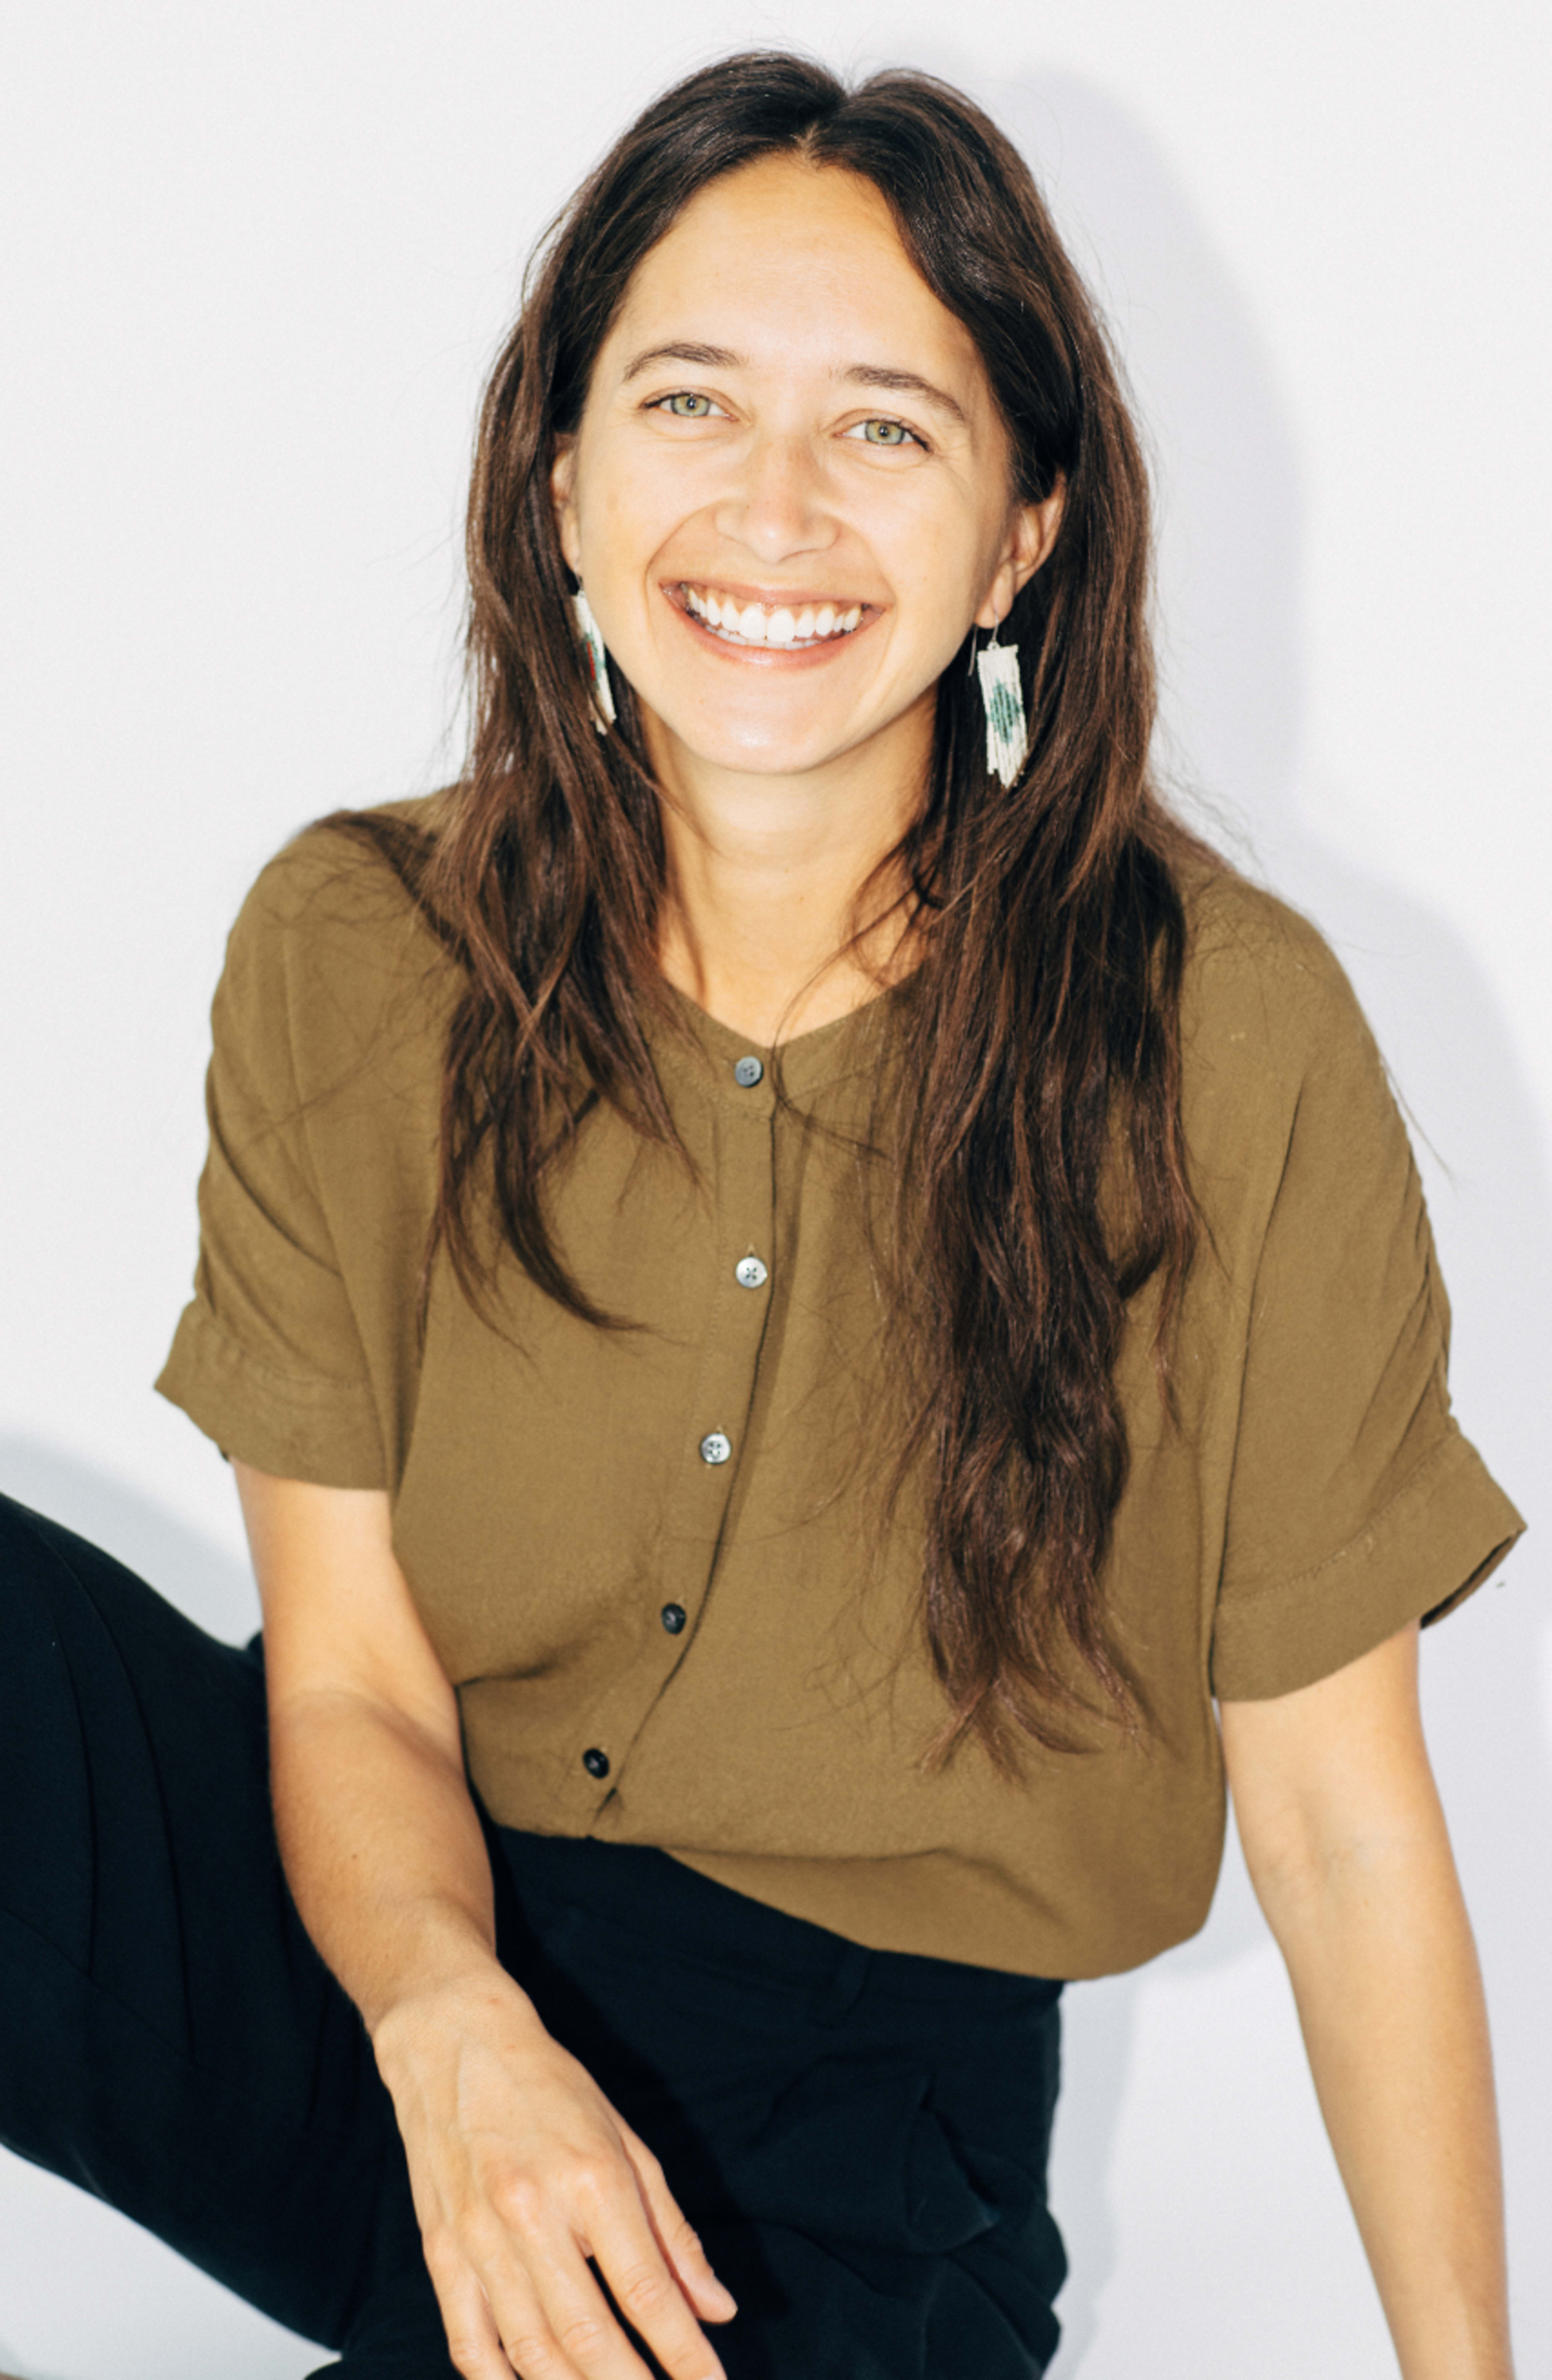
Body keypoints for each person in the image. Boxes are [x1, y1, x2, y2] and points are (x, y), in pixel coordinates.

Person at [0, 50, 1526, 2380]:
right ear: (565, 479)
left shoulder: (1230, 1033)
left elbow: (1338, 1822)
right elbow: (346, 1673)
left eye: (887, 427)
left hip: (845, 2137)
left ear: (1025, 531)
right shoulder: (357, 947)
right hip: (388, 1952)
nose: (775, 505)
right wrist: (456, 2028)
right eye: (692, 401)